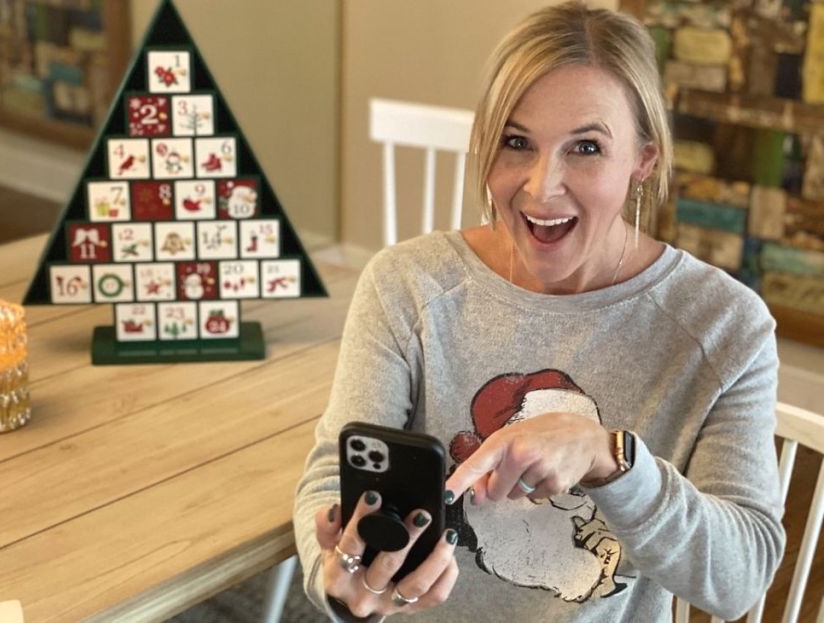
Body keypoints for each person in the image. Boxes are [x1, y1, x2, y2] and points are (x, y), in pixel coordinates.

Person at [293, 2, 786, 621]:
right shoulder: (407, 286)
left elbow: (741, 578)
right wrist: (341, 581)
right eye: (517, 142)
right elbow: (331, 479)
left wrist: (612, 460)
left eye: (585, 147)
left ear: (644, 160)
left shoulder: (724, 326)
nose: (540, 186)